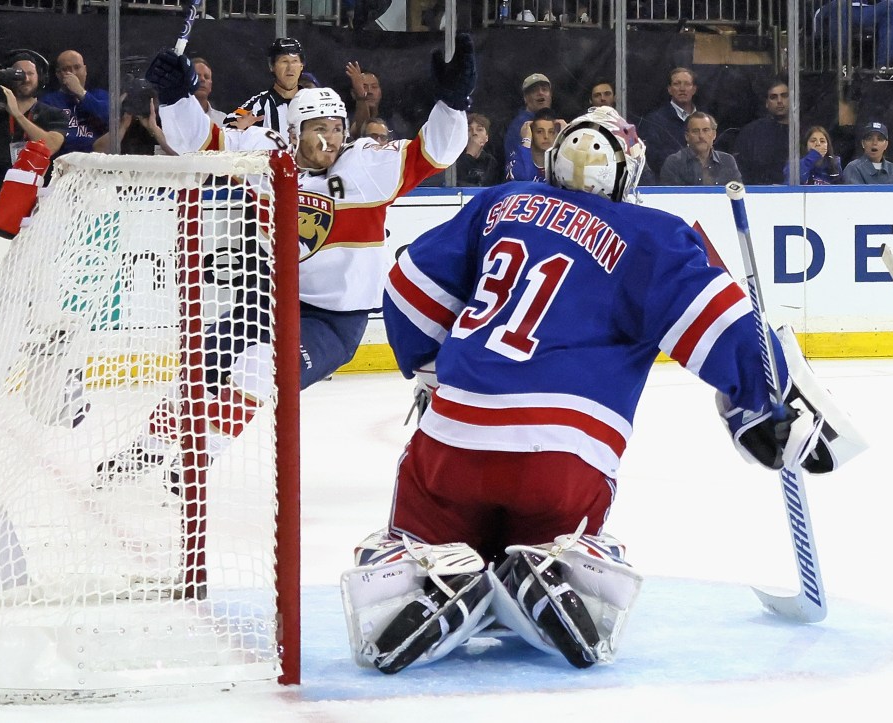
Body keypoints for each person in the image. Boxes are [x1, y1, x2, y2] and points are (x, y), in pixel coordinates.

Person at [340, 104, 860, 675]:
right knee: (559, 544)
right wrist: (770, 403)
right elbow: (721, 325)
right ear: (626, 171)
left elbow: (410, 285)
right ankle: (556, 573)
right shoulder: (651, 235)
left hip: (450, 444)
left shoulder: (498, 203)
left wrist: (428, 367)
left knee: (425, 535)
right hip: (562, 459)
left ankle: (425, 571)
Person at [95, 34, 476, 485]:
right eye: (320, 129)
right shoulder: (265, 155)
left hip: (334, 320)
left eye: (337, 127)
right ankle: (151, 446)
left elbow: (435, 151)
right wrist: (177, 99)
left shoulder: (367, 167)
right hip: (270, 301)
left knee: (260, 367)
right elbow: (203, 142)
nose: (332, 139)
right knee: (202, 366)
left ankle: (199, 457)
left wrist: (453, 103)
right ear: (294, 132)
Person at [0, 49, 67, 194]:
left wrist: (17, 114)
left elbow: (50, 147)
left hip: (41, 199)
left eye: (30, 73)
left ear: (41, 77)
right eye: (18, 74)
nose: (25, 78)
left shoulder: (54, 115)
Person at [40, 49, 109, 155]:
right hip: (64, 161)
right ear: (58, 74)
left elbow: (110, 118)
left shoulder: (100, 95)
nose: (73, 73)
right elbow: (55, 141)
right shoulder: (48, 101)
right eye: (66, 69)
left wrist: (81, 93)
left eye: (77, 67)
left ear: (85, 70)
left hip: (98, 161)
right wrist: (94, 145)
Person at [238, 37, 305, 141]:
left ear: (301, 66)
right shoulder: (258, 105)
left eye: (295, 61)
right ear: (272, 66)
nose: (290, 67)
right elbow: (229, 128)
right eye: (284, 61)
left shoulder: (315, 102)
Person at [638, 67, 701, 177]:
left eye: (687, 84)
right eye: (677, 84)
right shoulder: (654, 121)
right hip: (668, 185)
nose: (682, 88)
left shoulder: (706, 120)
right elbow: (651, 157)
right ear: (669, 89)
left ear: (694, 89)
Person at [660, 112, 742, 186]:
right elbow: (671, 198)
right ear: (687, 136)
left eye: (706, 130)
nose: (701, 136)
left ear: (714, 134)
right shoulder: (674, 163)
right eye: (695, 131)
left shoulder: (727, 161)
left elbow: (738, 194)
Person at [814, 0, 893, 70]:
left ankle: (884, 68)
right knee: (841, 4)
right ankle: (844, 66)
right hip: (836, 7)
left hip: (863, 9)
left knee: (892, 6)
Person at [734, 79, 791, 185]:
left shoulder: (804, 131)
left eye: (784, 95)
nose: (779, 101)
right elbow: (741, 170)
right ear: (767, 103)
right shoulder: (751, 133)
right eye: (773, 97)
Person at [504, 73, 552, 165]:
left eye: (544, 89)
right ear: (525, 98)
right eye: (534, 91)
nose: (540, 92)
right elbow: (515, 165)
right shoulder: (519, 125)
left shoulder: (554, 122)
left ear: (550, 95)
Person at [505, 108, 559, 182]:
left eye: (551, 132)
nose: (546, 136)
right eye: (540, 131)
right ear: (531, 133)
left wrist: (567, 134)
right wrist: (526, 140)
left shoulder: (560, 164)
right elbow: (522, 179)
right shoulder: (517, 159)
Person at [453, 112, 499, 187]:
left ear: (486, 137)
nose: (474, 133)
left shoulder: (490, 161)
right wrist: (470, 153)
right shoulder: (454, 158)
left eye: (479, 129)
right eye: (469, 130)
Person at [345, 62, 382, 139]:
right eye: (363, 87)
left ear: (380, 93)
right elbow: (363, 130)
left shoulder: (392, 121)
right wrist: (361, 95)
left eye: (374, 87)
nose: (369, 91)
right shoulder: (347, 120)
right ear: (353, 94)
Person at [191, 57, 227, 125]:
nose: (202, 79)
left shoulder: (222, 120)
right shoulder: (173, 117)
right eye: (197, 76)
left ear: (210, 85)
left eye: (206, 77)